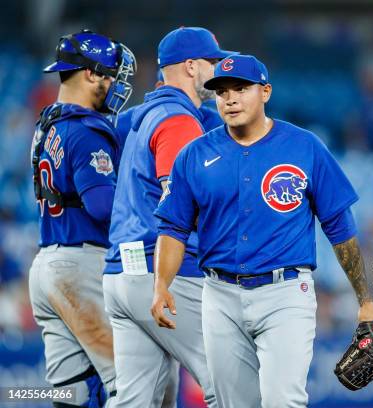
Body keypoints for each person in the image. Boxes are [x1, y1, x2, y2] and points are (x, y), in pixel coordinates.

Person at [151, 54, 373, 408]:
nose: (230, 98)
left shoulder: (304, 147)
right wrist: (160, 285)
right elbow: (173, 228)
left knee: (282, 401)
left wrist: (365, 300)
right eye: (221, 90)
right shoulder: (194, 155)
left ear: (265, 92)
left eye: (241, 89)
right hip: (219, 294)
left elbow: (339, 225)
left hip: (286, 294)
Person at [102, 27, 233, 407]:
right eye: (212, 62)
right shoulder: (179, 122)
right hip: (162, 274)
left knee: (136, 401)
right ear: (192, 66)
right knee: (231, 381)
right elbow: (177, 203)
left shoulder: (146, 115)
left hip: (120, 275)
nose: (218, 68)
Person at [28, 29, 135, 407]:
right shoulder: (88, 130)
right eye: (108, 75)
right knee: (130, 384)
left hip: (46, 265)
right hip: (81, 265)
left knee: (72, 394)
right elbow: (103, 207)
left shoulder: (47, 125)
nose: (113, 84)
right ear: (89, 74)